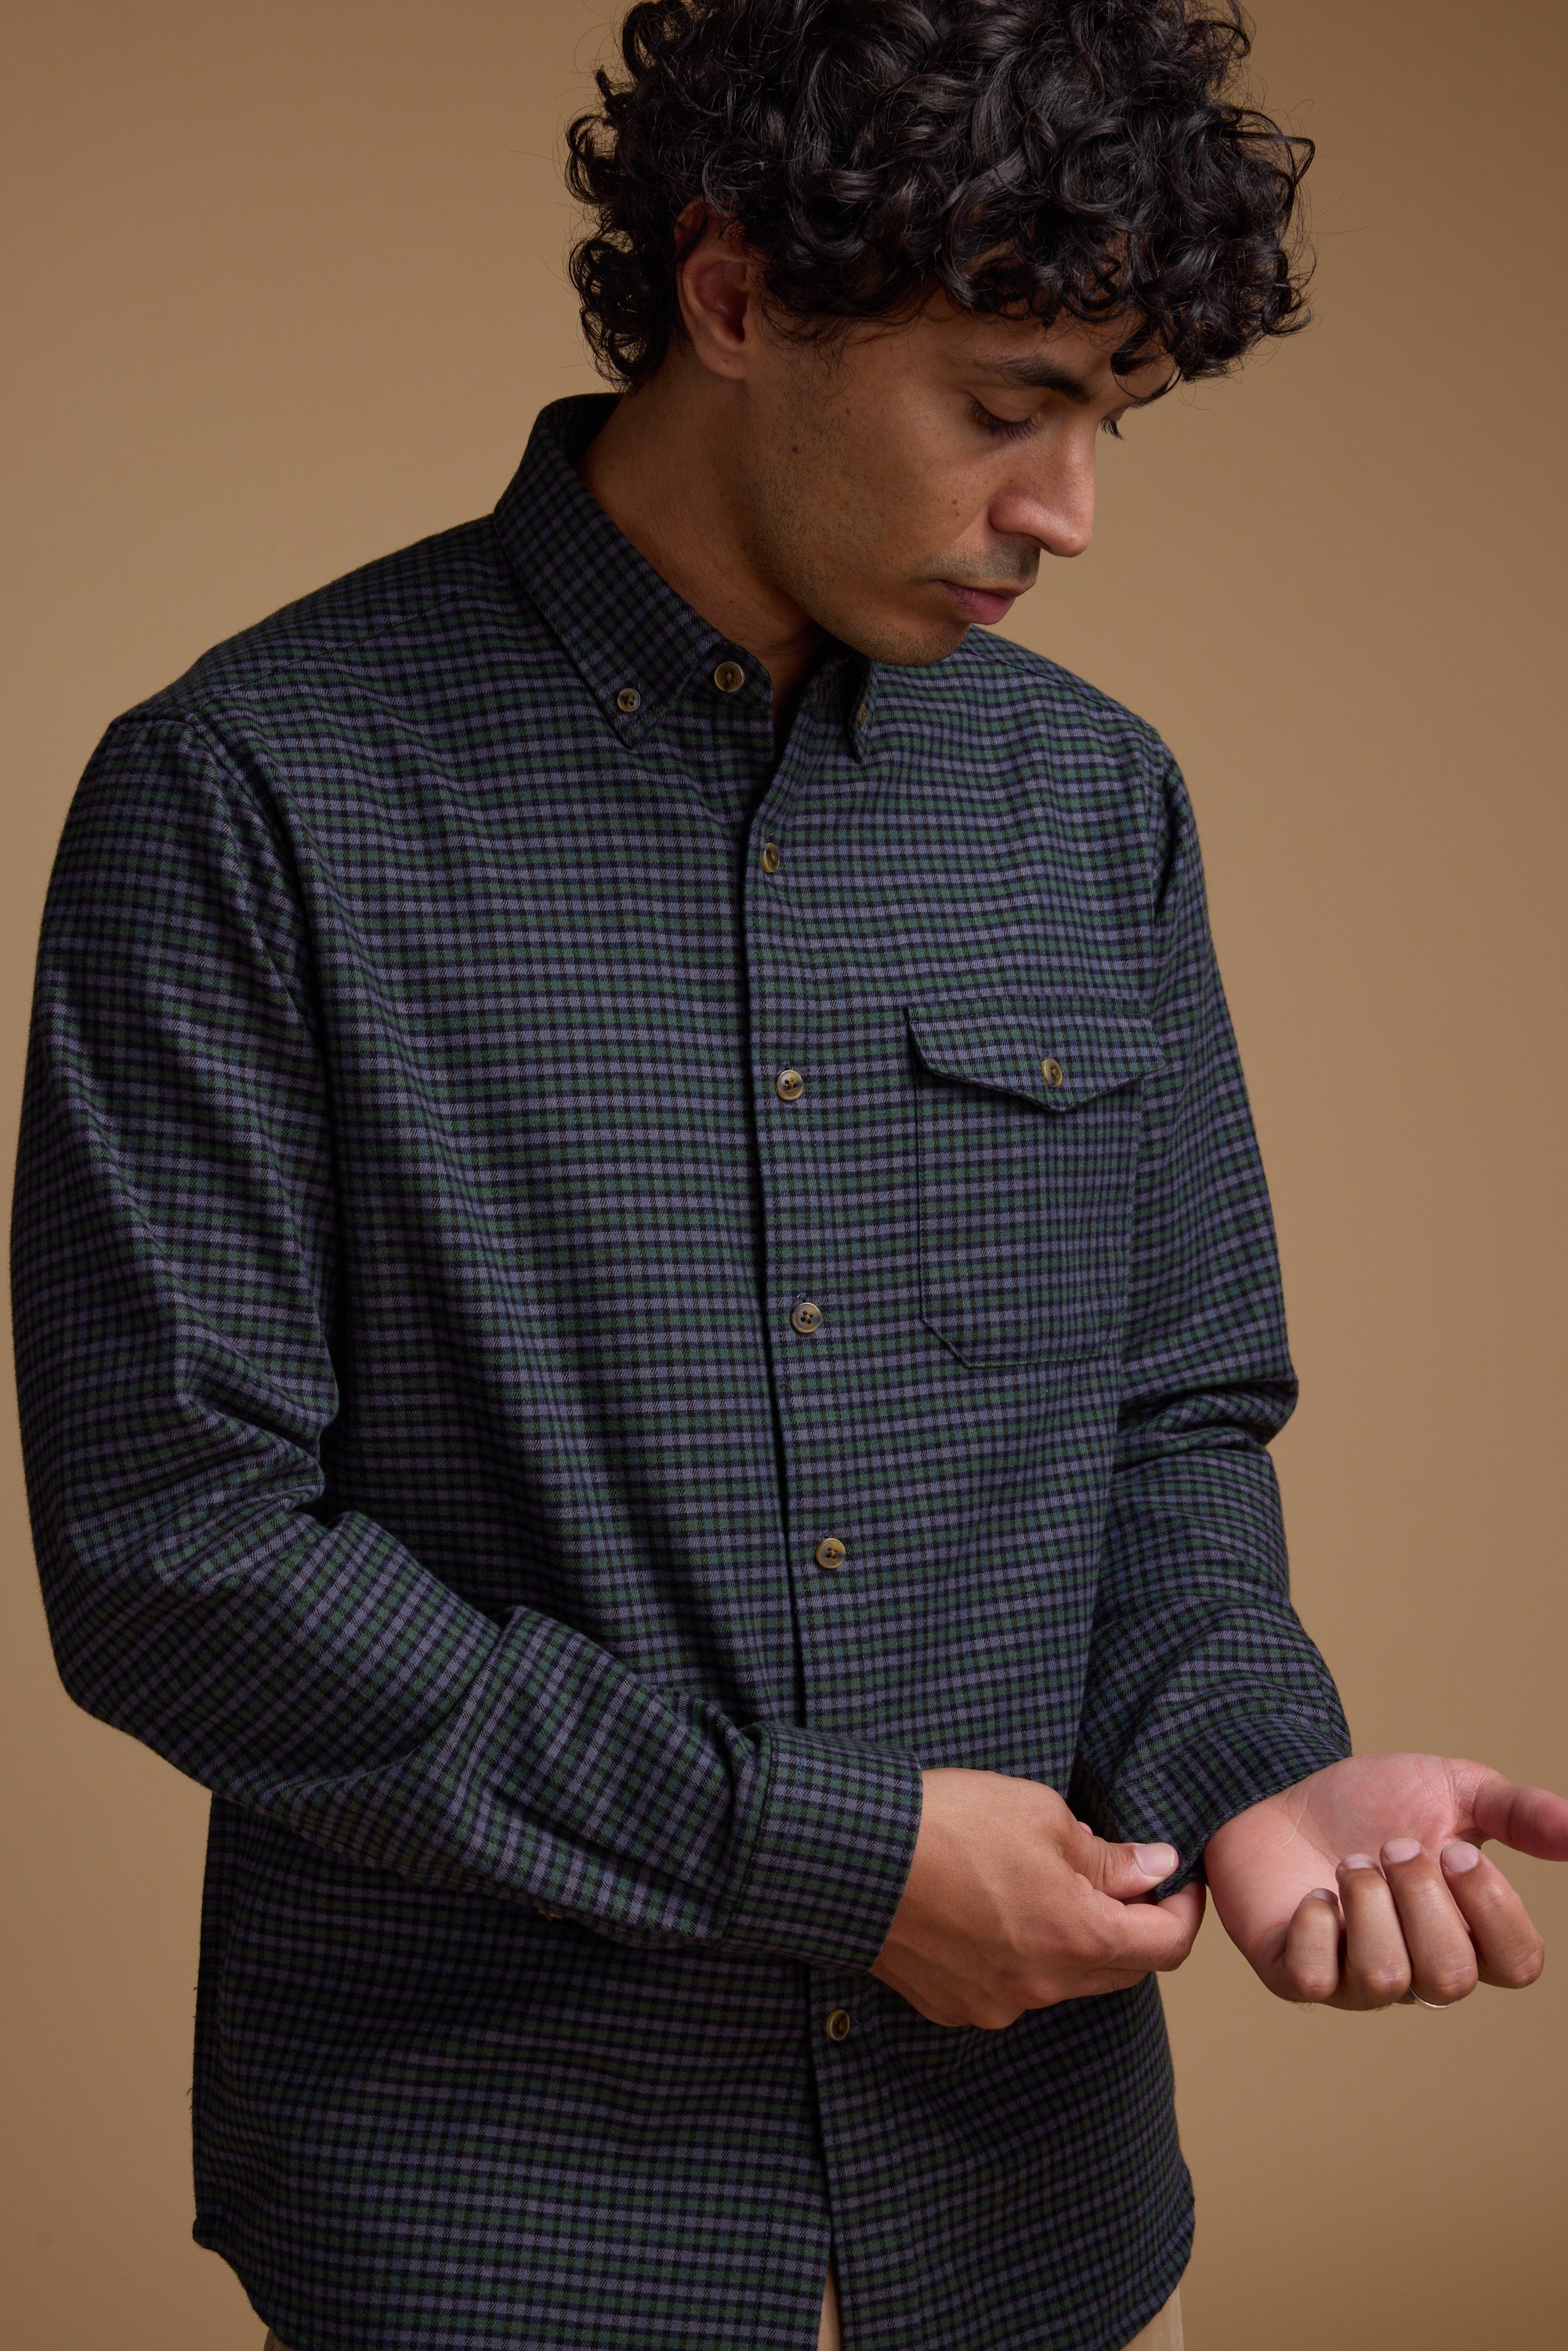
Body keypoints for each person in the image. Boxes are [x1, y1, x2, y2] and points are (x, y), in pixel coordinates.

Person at [13, 2, 1566, 2347]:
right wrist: (826, 1866)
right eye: (1005, 403)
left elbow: (1158, 1427)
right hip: (498, 2226)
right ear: (733, 297)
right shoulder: (254, 793)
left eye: (1104, 418)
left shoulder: (1089, 806)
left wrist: (1254, 1770)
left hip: (1023, 2213)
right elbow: (176, 1546)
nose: (1066, 513)